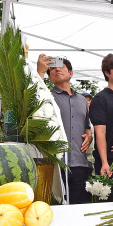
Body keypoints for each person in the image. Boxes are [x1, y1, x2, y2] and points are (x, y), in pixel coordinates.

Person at [37, 56, 92, 204]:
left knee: (79, 206)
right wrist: (39, 72)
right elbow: (34, 100)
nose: (56, 69)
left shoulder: (82, 100)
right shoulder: (46, 97)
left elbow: (87, 126)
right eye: (52, 69)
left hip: (80, 162)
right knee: (56, 206)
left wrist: (89, 135)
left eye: (60, 67)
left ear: (71, 73)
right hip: (56, 163)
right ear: (49, 77)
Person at [90, 54, 113, 191]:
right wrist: (105, 162)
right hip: (109, 160)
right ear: (107, 72)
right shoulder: (100, 99)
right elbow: (100, 132)